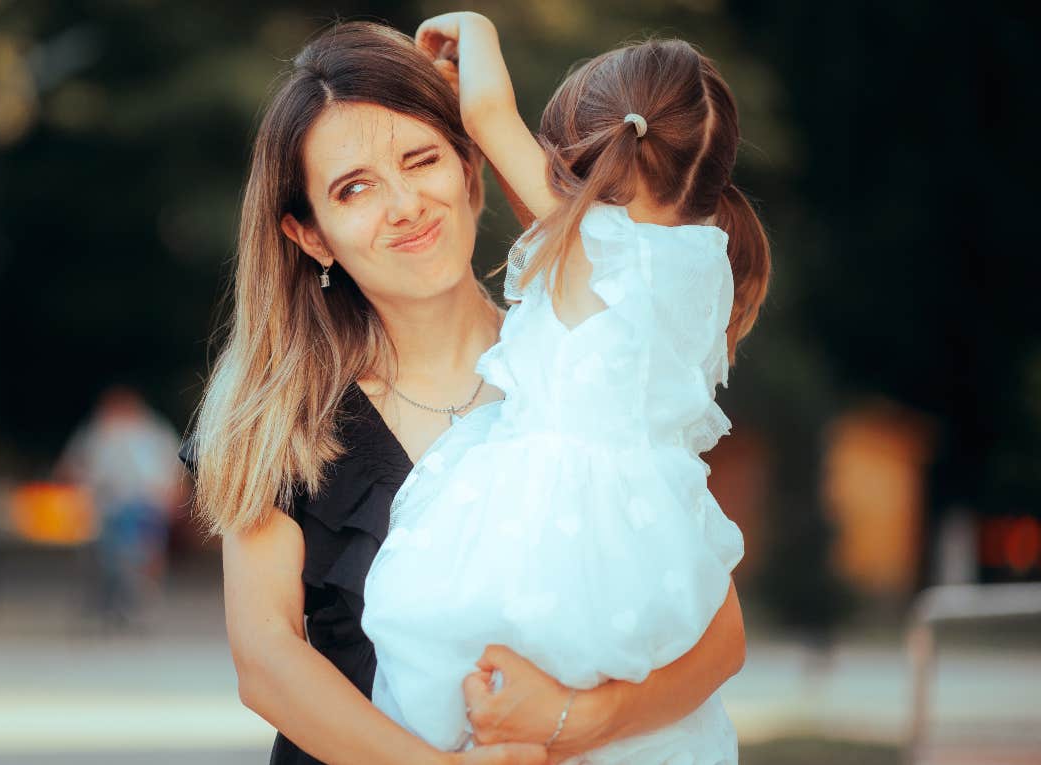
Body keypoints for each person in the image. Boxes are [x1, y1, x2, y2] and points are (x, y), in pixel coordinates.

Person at [182, 20, 748, 765]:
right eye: (355, 189)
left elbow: (720, 632)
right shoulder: (276, 414)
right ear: (312, 235)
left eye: (422, 160)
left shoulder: (583, 362)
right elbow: (267, 662)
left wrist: (581, 719)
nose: (405, 204)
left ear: (471, 167)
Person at [362, 13, 772, 764]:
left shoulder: (593, 244)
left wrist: (475, 30)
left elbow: (490, 113)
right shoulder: (707, 265)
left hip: (547, 526)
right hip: (645, 535)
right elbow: (565, 241)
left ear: (580, 161)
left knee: (455, 676)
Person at [58, 385, 183, 628]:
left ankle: (137, 601)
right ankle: (118, 602)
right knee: (108, 550)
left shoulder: (153, 434)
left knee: (138, 552)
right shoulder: (97, 434)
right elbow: (72, 468)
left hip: (144, 507)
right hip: (107, 507)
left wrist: (169, 502)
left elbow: (172, 475)